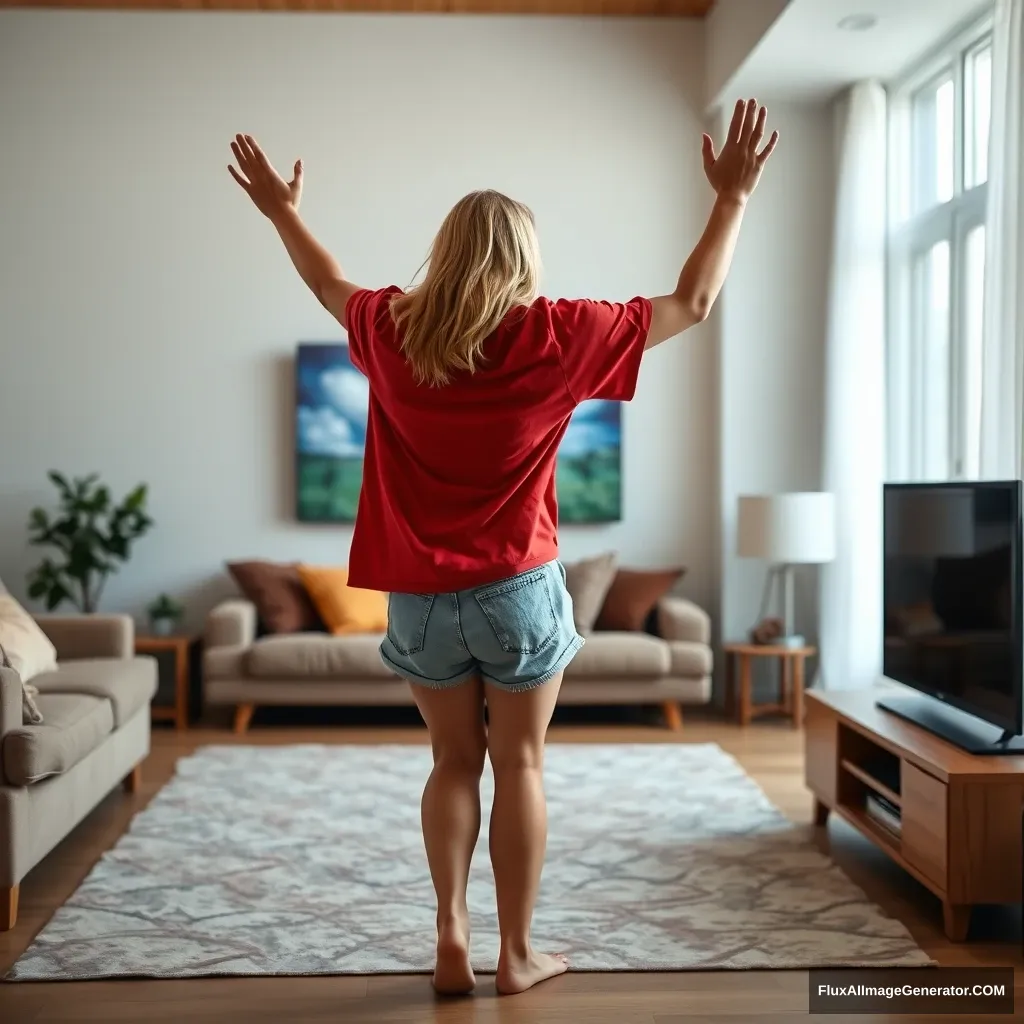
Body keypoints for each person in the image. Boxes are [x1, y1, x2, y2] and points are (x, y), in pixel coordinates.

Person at [227, 98, 777, 997]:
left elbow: (325, 282)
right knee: (519, 762)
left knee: (452, 762)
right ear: (525, 259)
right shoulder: (564, 333)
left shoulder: (393, 330)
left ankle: (450, 933)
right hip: (519, 588)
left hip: (419, 597)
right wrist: (734, 196)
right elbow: (696, 301)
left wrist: (282, 211)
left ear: (444, 255)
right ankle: (515, 954)